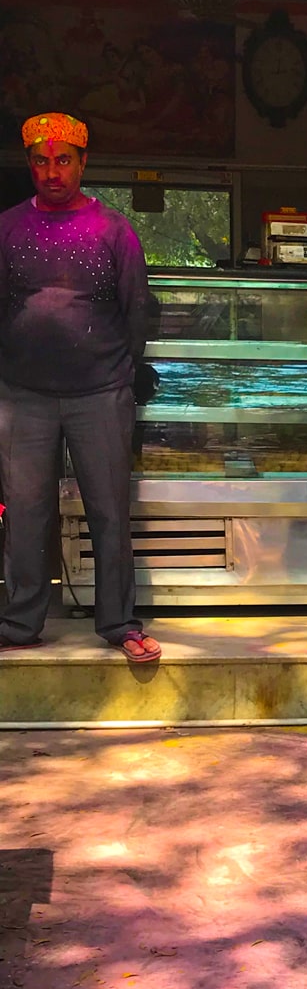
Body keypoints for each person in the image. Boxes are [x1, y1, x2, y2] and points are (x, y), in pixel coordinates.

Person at [0, 111, 160, 662]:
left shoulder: (114, 229)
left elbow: (137, 307)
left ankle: (119, 623)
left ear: (83, 163)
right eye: (41, 161)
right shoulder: (7, 227)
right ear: (30, 165)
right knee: (24, 510)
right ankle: (20, 624)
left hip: (100, 392)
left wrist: (123, 372)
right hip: (22, 394)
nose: (52, 171)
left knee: (109, 508)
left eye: (63, 160)